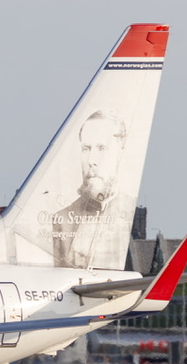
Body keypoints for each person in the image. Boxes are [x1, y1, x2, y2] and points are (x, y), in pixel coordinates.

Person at [50, 110, 133, 269]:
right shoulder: (61, 218)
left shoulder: (129, 212)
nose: (91, 161)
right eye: (86, 149)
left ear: (120, 153)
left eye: (102, 148)